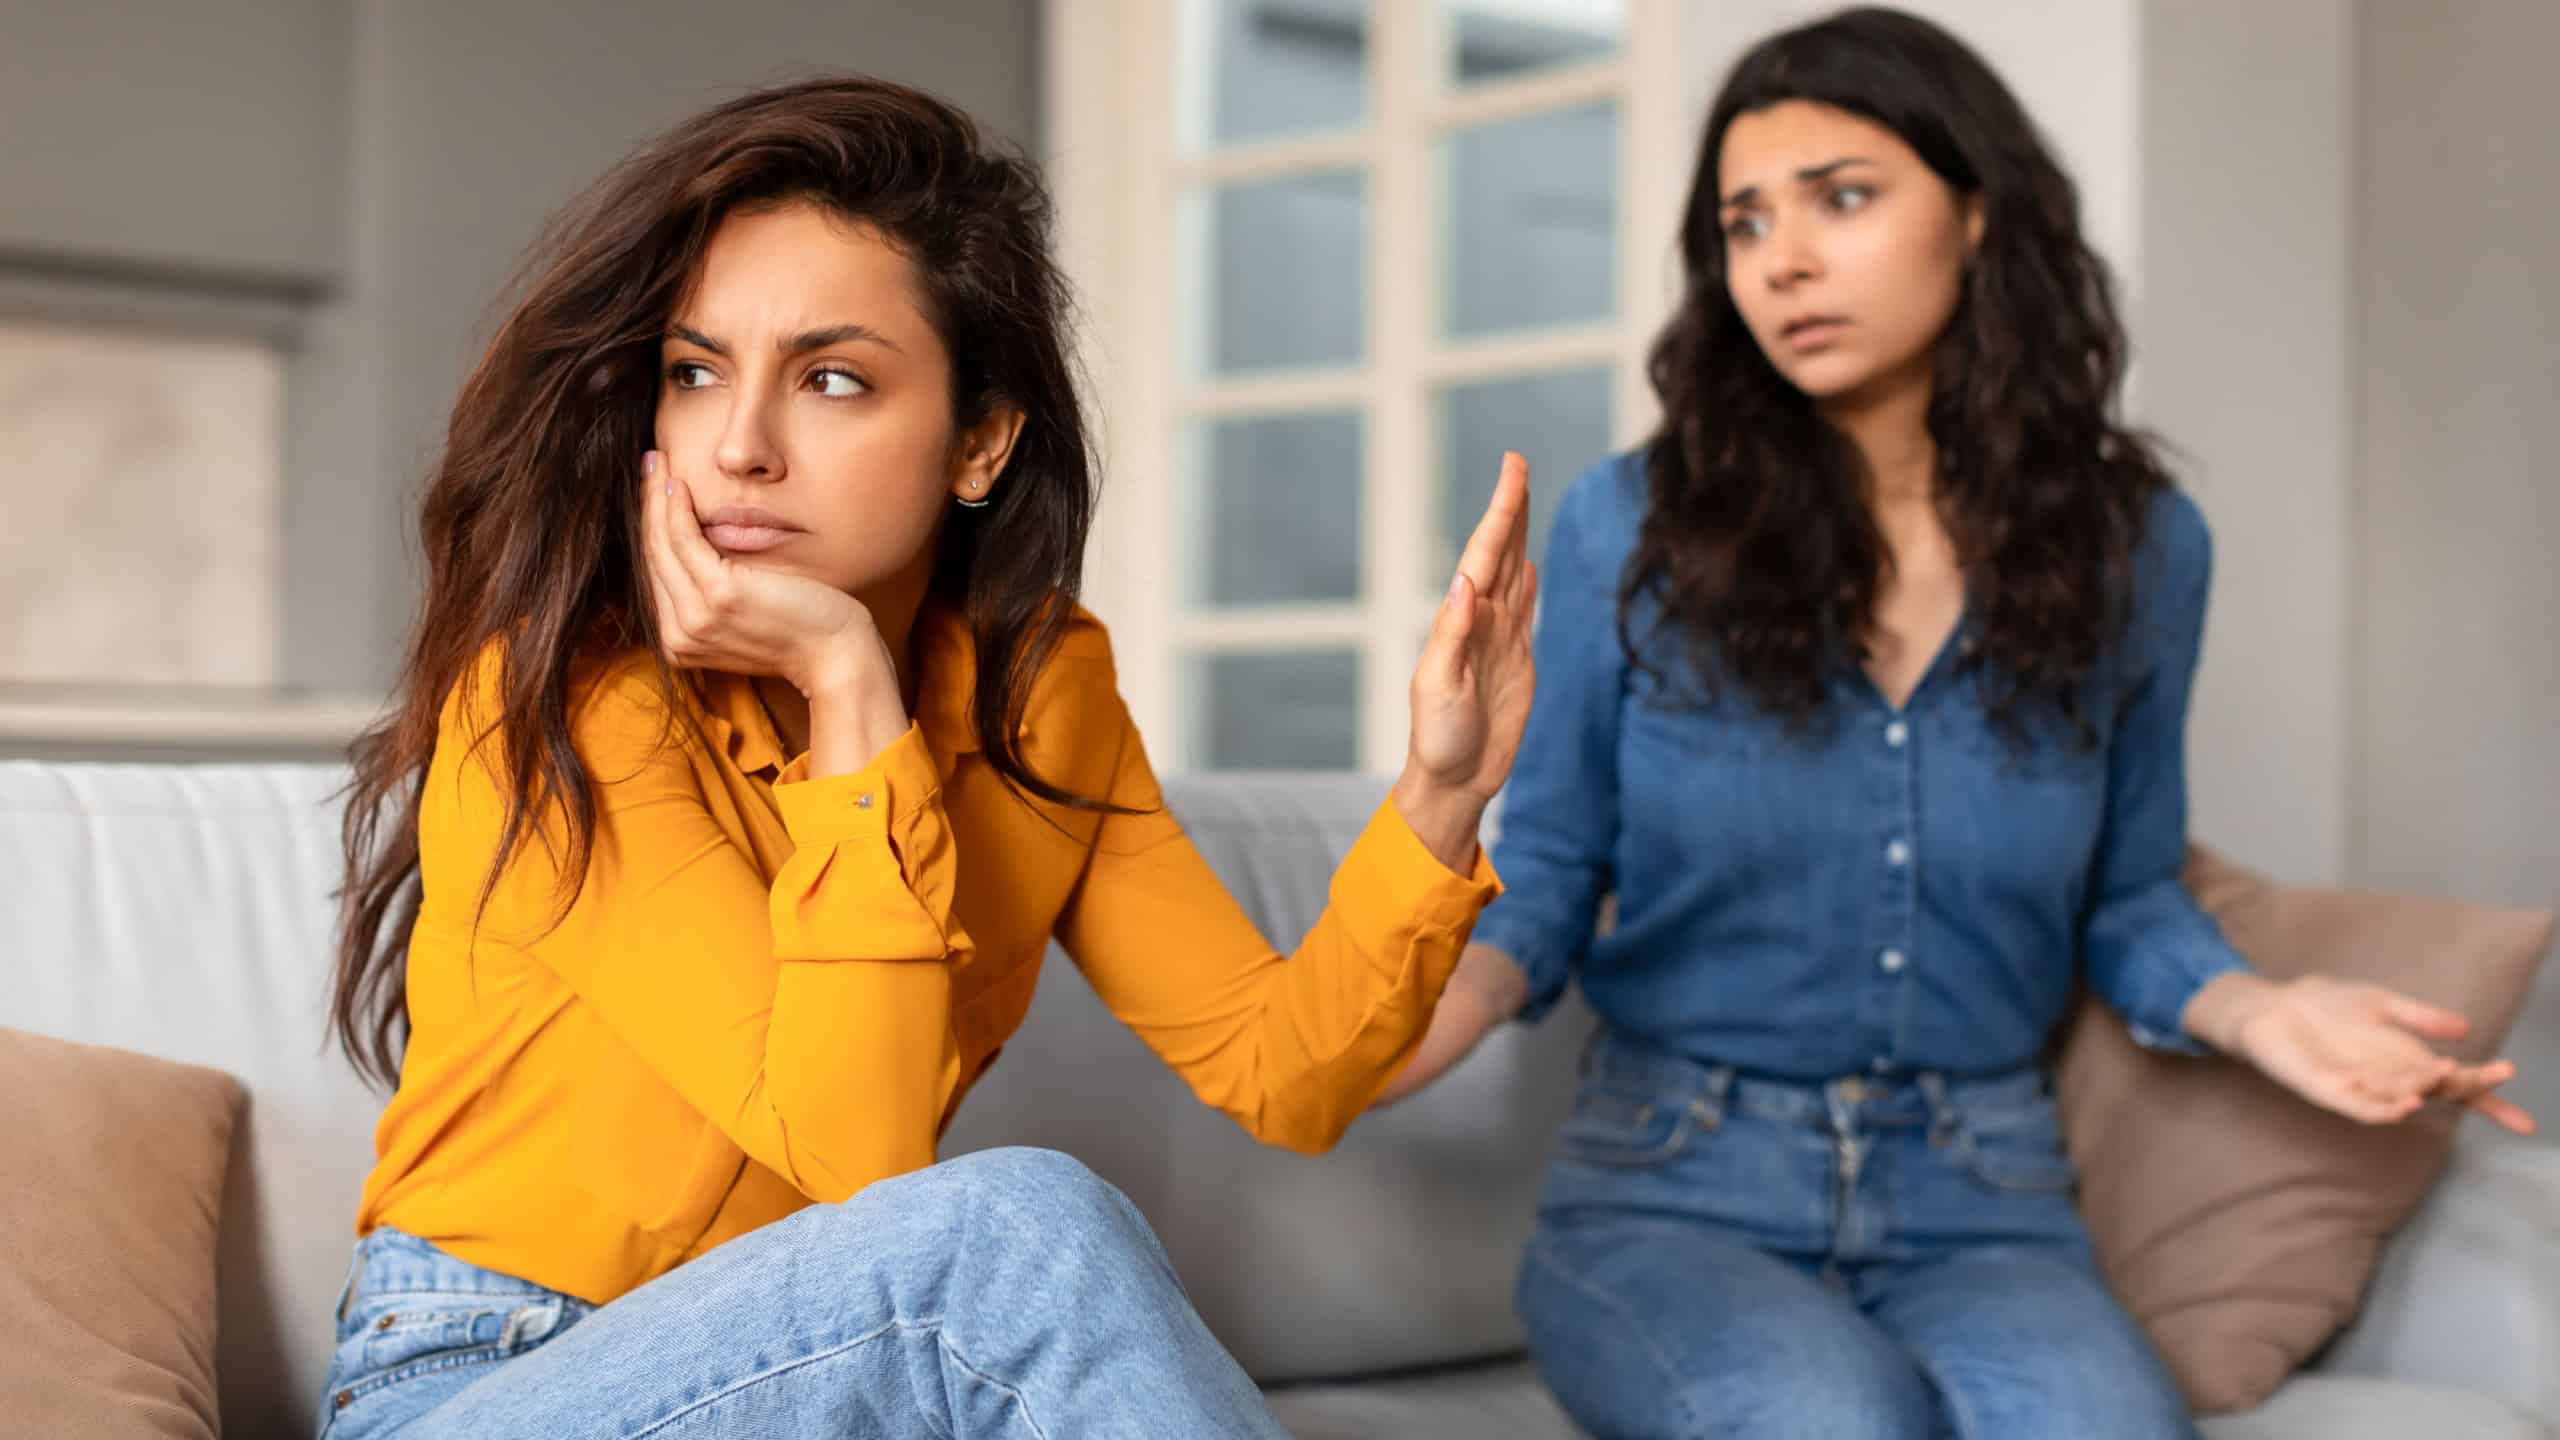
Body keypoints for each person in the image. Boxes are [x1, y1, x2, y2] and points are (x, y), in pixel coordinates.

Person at [319, 75, 1537, 1439]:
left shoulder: (1036, 691)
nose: (739, 446)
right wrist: (849, 685)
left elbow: (1286, 1073)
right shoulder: (564, 703)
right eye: (695, 371)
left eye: (831, 379)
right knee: (1015, 1229)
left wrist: (1444, 784)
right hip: (488, 1377)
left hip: (835, 1382)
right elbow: (862, 1165)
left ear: (980, 441)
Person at [1375, 8, 2533, 1437]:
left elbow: (2126, 892)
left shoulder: (2138, 549)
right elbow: (1545, 872)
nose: (1782, 259)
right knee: (1834, 1423)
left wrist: (2263, 1013)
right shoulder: (1635, 526)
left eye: (1842, 198)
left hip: (1986, 1201)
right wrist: (1389, 1028)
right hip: (1674, 1191)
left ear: (1977, 216)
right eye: (1743, 224)